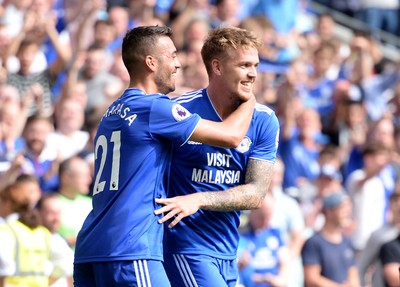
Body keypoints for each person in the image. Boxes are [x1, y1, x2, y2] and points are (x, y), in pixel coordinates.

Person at [73, 25, 256, 287]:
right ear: (150, 62)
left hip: (91, 249)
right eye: (171, 56)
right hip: (131, 248)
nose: (178, 64)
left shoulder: (112, 111)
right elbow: (231, 136)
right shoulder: (154, 108)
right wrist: (248, 95)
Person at [155, 26, 280, 286]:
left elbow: (256, 193)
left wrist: (199, 199)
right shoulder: (180, 112)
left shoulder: (264, 120)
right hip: (183, 245)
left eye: (255, 65)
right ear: (218, 67)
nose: (253, 73)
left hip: (227, 251)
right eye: (244, 65)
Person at [301, 190, 360, 287]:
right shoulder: (314, 242)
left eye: (348, 209)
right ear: (329, 212)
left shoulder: (347, 242)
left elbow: (353, 275)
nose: (347, 213)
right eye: (342, 208)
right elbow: (311, 279)